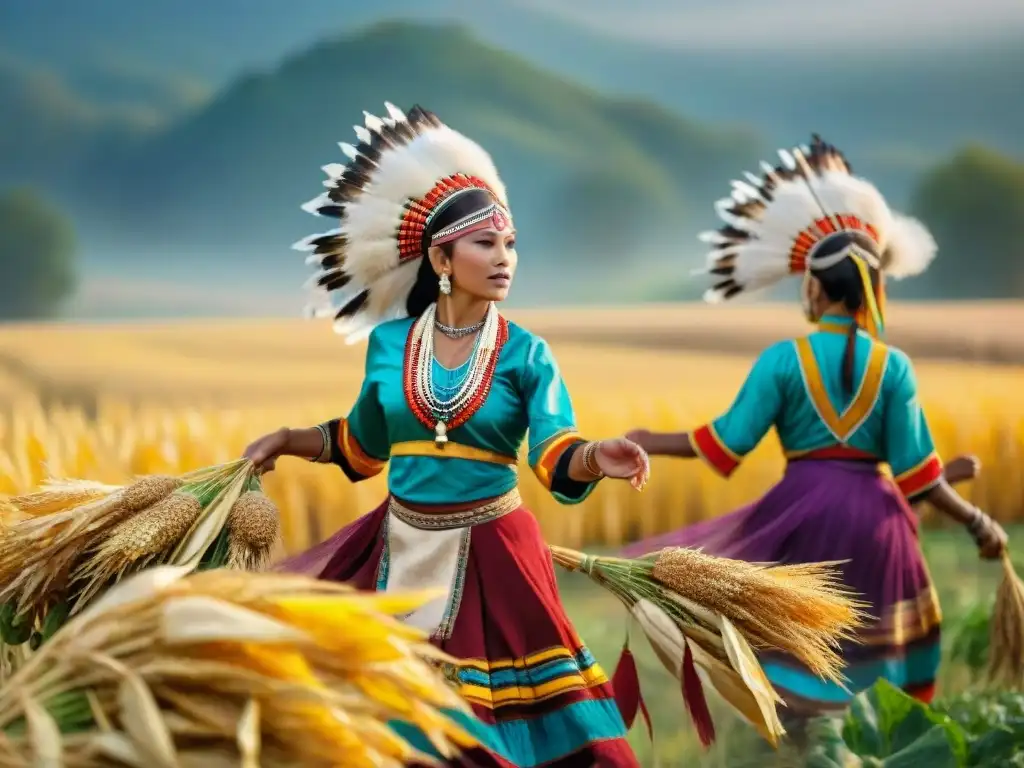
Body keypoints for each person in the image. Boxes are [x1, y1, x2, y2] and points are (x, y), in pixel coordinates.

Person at [242, 103, 650, 767]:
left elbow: (553, 453)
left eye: (511, 243)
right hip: (395, 550)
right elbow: (362, 446)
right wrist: (289, 439)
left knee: (515, 743)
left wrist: (596, 457)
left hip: (495, 557)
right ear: (441, 255)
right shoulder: (389, 345)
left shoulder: (526, 354)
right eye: (486, 243)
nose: (504, 258)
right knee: (385, 735)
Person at [622, 136, 1008, 722]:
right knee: (879, 662)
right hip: (879, 523)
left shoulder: (783, 360)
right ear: (870, 291)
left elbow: (725, 443)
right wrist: (976, 519)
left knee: (800, 646)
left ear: (815, 287)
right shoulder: (892, 366)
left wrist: (652, 440)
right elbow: (917, 474)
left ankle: (809, 745)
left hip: (803, 514)